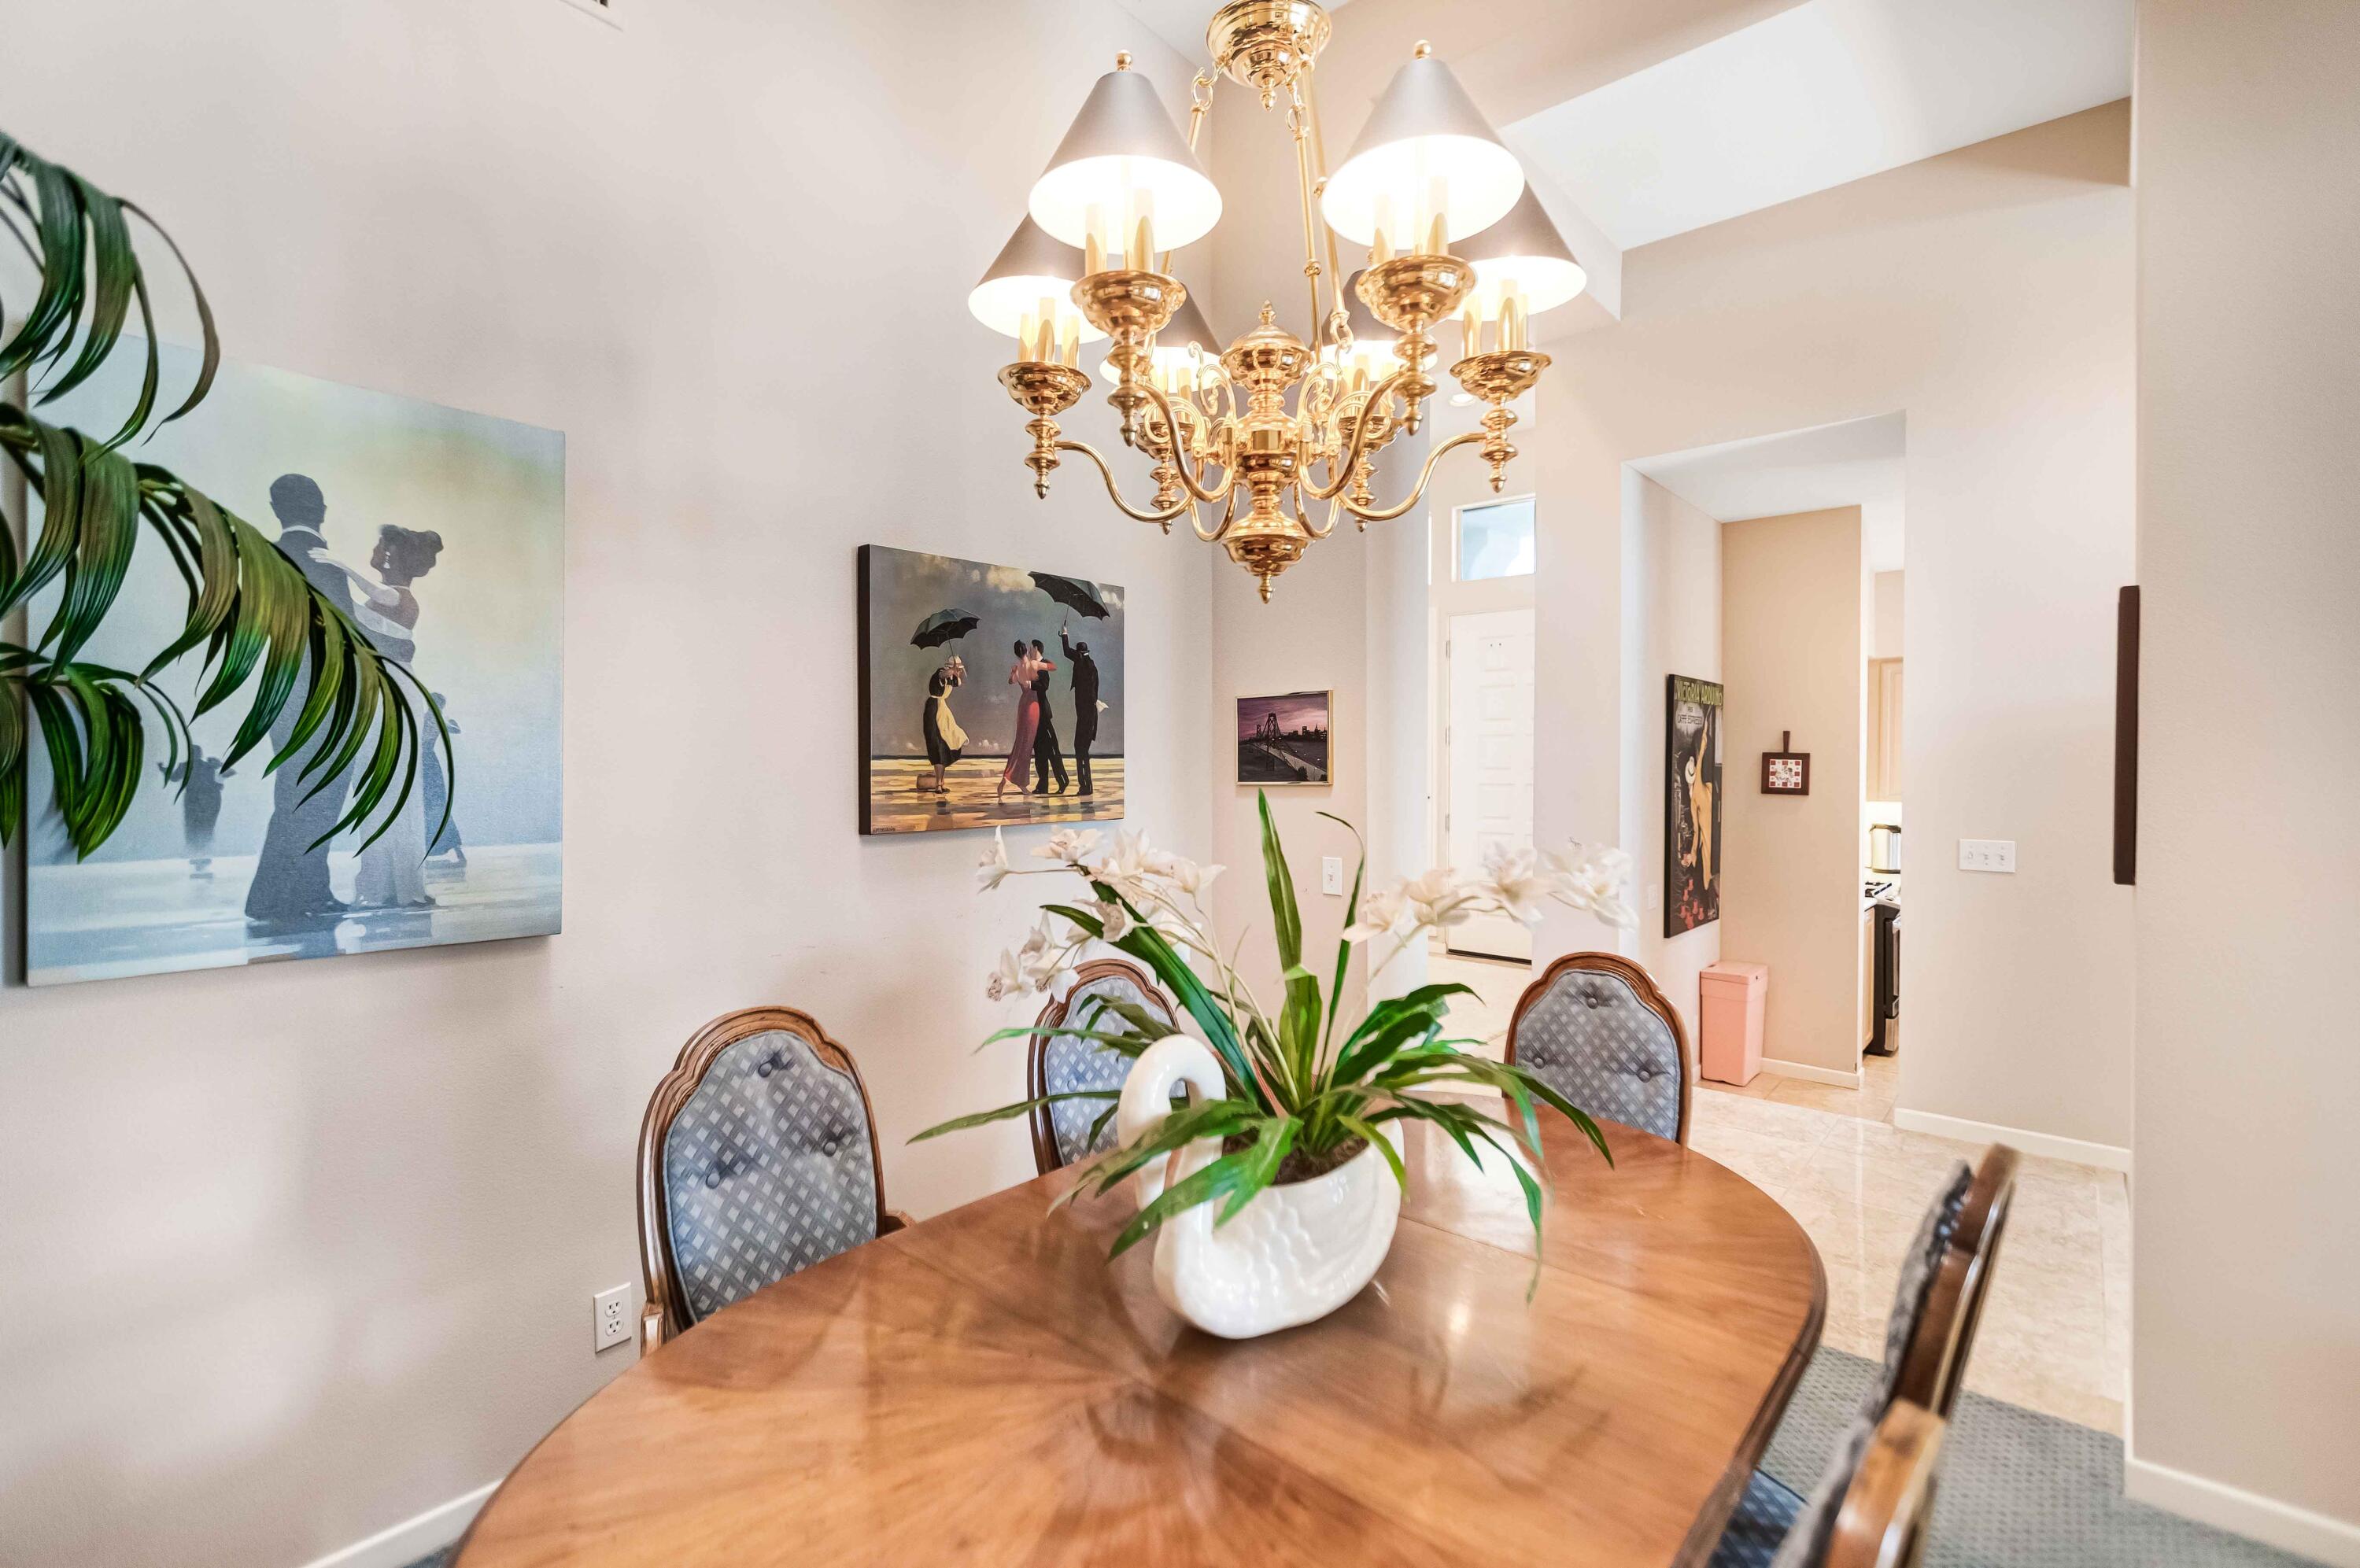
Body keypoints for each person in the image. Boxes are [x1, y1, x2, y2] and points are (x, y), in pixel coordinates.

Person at [245, 474, 361, 924]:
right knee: (321, 800)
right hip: (325, 700)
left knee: (294, 797)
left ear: (277, 510)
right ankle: (293, 895)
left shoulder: (265, 560)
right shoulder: (323, 561)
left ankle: (286, 895)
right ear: (322, 509)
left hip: (283, 699)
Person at [340, 525, 444, 909]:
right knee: (382, 786)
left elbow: (356, 610)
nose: (376, 550)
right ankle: (388, 883)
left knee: (391, 786)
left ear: (392, 555)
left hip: (392, 692)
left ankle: (393, 884)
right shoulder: (390, 598)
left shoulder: (400, 597)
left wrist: (338, 569)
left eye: (382, 545)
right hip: (384, 689)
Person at [158, 744, 228, 876]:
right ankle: (203, 855)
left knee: (193, 827)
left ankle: (197, 856)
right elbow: (218, 780)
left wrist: (163, 769)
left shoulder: (185, 766)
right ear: (200, 754)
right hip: (206, 802)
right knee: (205, 827)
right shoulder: (208, 766)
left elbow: (173, 778)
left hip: (192, 802)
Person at [423, 692, 464, 865]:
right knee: (435, 804)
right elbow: (455, 729)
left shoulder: (427, 719)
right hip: (428, 763)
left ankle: (449, 846)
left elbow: (455, 729)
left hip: (425, 764)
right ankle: (454, 848)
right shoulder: (434, 719)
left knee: (433, 805)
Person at [1060, 622, 1101, 797]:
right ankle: (1086, 786)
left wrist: (1065, 633)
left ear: (1080, 654)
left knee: (1080, 750)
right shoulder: (1092, 667)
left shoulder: (1082, 663)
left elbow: (1066, 652)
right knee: (1083, 751)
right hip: (1090, 715)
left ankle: (1085, 787)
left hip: (1085, 716)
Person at [999, 639, 1041, 802]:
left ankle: (1007, 777)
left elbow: (1011, 681)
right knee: (1026, 745)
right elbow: (1031, 685)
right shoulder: (1030, 665)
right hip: (1031, 705)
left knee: (1021, 743)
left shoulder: (1018, 668)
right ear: (1026, 651)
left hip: (1024, 704)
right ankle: (1020, 782)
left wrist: (1013, 672)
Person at [919, 656, 967, 795]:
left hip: (942, 711)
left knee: (945, 747)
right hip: (933, 711)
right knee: (937, 746)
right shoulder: (940, 673)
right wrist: (953, 670)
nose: (959, 671)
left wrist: (957, 672)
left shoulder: (951, 677)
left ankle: (941, 782)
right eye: (958, 669)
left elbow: (957, 682)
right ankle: (938, 784)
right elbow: (943, 674)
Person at [1028, 638, 1069, 795]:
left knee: (1052, 749)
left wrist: (1029, 684)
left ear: (1036, 648)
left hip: (1043, 714)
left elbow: (1044, 686)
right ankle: (1042, 785)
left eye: (1031, 648)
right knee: (1039, 752)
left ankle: (1062, 780)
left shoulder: (1043, 665)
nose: (1029, 651)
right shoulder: (1033, 665)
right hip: (1035, 715)